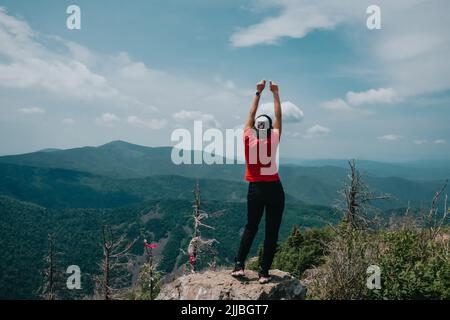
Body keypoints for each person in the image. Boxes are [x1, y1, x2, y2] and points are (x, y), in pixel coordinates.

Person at [231, 80, 285, 284]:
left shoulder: (248, 139)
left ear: (255, 128)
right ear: (270, 128)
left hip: (256, 190)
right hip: (275, 190)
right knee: (272, 231)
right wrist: (276, 93)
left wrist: (258, 92)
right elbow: (279, 116)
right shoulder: (273, 139)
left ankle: (239, 266)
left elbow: (250, 116)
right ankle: (263, 272)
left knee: (251, 227)